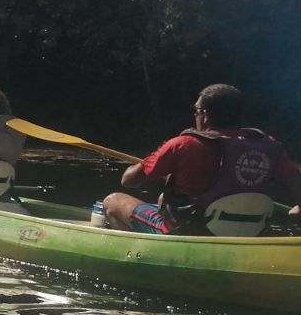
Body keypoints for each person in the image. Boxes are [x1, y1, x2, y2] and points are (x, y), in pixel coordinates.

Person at [99, 83, 301, 233]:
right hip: (249, 232)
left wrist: (149, 161)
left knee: (112, 201)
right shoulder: (270, 146)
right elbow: (295, 181)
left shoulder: (185, 144)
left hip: (193, 231)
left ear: (204, 114)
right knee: (162, 199)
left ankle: (144, 256)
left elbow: (129, 181)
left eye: (196, 110)